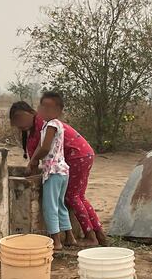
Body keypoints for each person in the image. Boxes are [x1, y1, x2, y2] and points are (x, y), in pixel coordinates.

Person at [9, 93, 108, 246]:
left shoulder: (45, 123)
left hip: (75, 156)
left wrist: (33, 163)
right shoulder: (39, 126)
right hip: (80, 154)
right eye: (17, 122)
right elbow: (36, 152)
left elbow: (42, 149)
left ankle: (89, 236)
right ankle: (97, 234)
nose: (21, 125)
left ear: (33, 113)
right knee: (77, 197)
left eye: (22, 119)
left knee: (71, 197)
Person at [24, 95, 77, 251]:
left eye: (50, 107)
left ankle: (56, 241)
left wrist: (33, 160)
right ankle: (69, 237)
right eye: (43, 106)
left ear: (59, 111)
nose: (46, 110)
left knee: (50, 206)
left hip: (53, 171)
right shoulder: (57, 124)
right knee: (60, 205)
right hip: (62, 171)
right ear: (39, 108)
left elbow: (45, 148)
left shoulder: (51, 125)